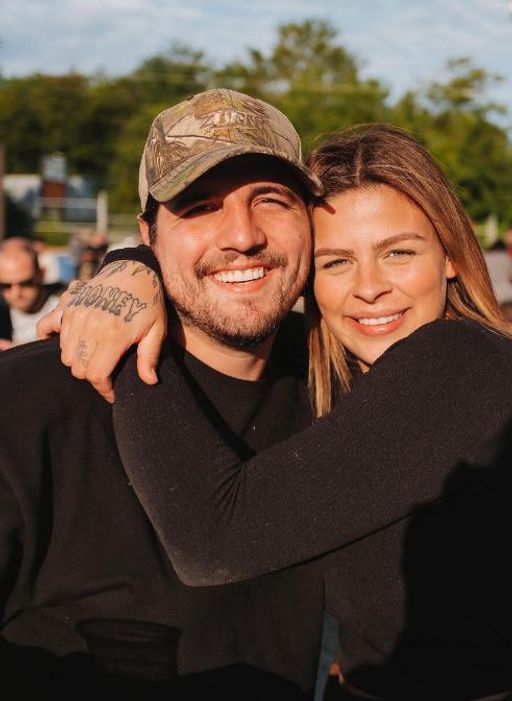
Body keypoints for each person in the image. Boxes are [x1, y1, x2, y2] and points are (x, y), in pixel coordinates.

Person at [52, 124, 512, 701]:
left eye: (398, 252)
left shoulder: (463, 362)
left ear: (449, 255)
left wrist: (129, 344)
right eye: (336, 261)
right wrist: (134, 268)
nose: (369, 288)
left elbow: (215, 539)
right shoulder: (338, 367)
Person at [0, 89, 327, 699]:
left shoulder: (343, 392)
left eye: (271, 200)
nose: (243, 236)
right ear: (148, 236)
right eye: (200, 207)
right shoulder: (30, 402)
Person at [0, 237, 62, 347]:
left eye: (26, 283)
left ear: (42, 275)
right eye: (6, 286)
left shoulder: (63, 306)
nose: (16, 293)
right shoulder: (2, 311)